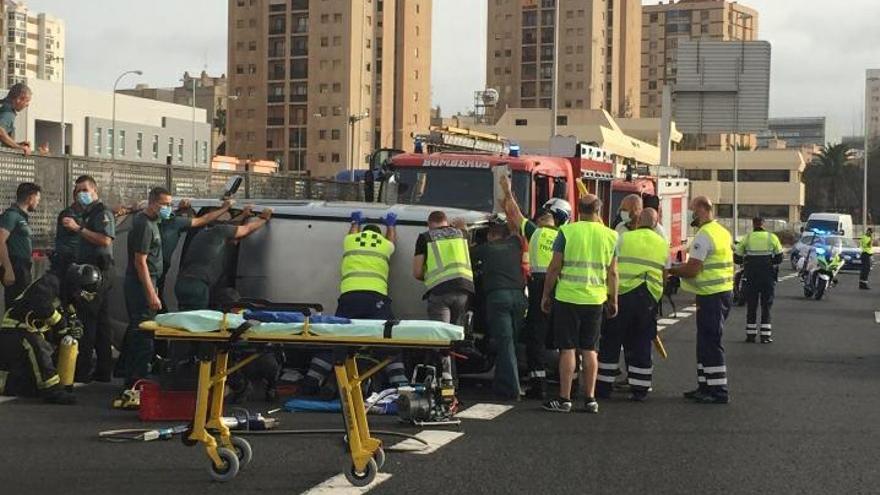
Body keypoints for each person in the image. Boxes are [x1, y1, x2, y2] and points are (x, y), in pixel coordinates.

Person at [301, 210, 404, 395]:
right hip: (376, 298)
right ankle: (401, 385)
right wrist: (391, 224)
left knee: (337, 338)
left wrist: (355, 221)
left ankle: (311, 381)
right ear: (378, 236)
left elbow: (352, 233)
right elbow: (392, 241)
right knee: (389, 338)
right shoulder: (384, 246)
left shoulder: (351, 242)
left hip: (350, 297)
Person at [541, 194, 618, 414]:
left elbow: (554, 267)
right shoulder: (611, 236)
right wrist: (614, 299)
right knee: (590, 349)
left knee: (567, 349)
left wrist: (546, 294)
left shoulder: (567, 232)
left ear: (578, 210)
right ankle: (590, 398)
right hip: (595, 299)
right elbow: (613, 272)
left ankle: (564, 399)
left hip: (567, 297)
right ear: (599, 210)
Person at [500, 175, 571, 399]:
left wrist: (507, 189)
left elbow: (513, 213)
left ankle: (538, 383)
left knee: (536, 337)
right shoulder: (567, 236)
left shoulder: (536, 232)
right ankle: (569, 382)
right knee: (565, 339)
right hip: (565, 288)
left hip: (540, 286)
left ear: (543, 218)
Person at [0, 264, 102, 404]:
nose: (80, 295)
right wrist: (61, 323)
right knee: (37, 347)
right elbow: (41, 304)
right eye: (82, 291)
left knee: (28, 385)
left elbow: (66, 321)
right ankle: (53, 391)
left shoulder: (67, 296)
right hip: (15, 329)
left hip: (33, 332)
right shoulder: (51, 281)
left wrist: (72, 329)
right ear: (75, 282)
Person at [596, 208, 668, 401]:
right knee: (641, 341)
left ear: (637, 222)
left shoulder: (623, 239)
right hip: (648, 297)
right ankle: (640, 389)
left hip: (622, 294)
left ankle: (603, 387)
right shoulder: (662, 244)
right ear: (656, 223)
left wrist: (610, 296)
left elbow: (611, 267)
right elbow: (665, 273)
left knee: (611, 340)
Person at [669, 196, 734, 405]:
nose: (691, 215)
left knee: (711, 342)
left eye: (693, 210)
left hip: (712, 295)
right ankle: (705, 385)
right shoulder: (722, 232)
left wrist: (671, 271)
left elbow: (693, 268)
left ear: (703, 210)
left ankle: (718, 390)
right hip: (720, 292)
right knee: (705, 342)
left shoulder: (704, 235)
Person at [61, 175, 116, 382]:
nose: (81, 194)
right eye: (77, 191)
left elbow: (104, 239)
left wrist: (78, 229)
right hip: (92, 272)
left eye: (85, 190)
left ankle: (82, 369)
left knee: (88, 319)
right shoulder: (88, 213)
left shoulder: (101, 212)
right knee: (101, 322)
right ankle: (103, 369)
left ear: (94, 191)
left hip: (99, 273)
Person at [412, 210, 474, 386]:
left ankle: (444, 380)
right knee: (454, 337)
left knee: (440, 338)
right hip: (464, 290)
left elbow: (416, 272)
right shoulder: (461, 234)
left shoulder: (426, 237)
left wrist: (432, 276)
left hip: (440, 291)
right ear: (446, 222)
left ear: (429, 223)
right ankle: (453, 380)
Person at [120, 187, 172, 389]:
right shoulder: (144, 225)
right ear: (153, 203)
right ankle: (137, 379)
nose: (167, 208)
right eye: (164, 204)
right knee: (143, 333)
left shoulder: (152, 221)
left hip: (148, 282)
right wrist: (151, 293)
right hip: (141, 284)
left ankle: (133, 376)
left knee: (141, 332)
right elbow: (140, 262)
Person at [174, 207, 272, 311]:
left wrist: (243, 215)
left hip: (183, 283)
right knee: (195, 320)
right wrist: (263, 218)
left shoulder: (205, 233)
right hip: (197, 285)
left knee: (184, 319)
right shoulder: (220, 231)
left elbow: (231, 225)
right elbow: (246, 229)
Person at [473, 222, 528, 399]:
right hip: (519, 298)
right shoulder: (515, 245)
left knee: (505, 343)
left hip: (498, 298)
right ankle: (501, 383)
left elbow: (467, 254)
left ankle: (512, 389)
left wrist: (462, 232)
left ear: (490, 236)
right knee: (513, 341)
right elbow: (515, 229)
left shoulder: (486, 249)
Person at [157, 198, 235, 309]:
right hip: (160, 277)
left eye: (170, 205)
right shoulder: (174, 223)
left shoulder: (159, 221)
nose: (168, 207)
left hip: (172, 279)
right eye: (166, 204)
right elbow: (204, 219)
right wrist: (225, 208)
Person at [734, 217, 783, 344]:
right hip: (767, 276)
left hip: (751, 276)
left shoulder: (747, 238)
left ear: (753, 224)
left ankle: (750, 336)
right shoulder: (771, 237)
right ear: (763, 224)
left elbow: (737, 258)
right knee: (766, 305)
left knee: (751, 305)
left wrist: (747, 260)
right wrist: (768, 262)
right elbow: (779, 258)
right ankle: (765, 336)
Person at [0, 182, 40, 310]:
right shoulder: (11, 215)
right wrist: (8, 269)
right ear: (30, 198)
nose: (38, 202)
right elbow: (0, 240)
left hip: (23, 268)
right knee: (15, 307)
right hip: (15, 266)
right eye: (37, 198)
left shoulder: (22, 217)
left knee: (23, 306)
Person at [49, 191, 83, 275]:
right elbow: (73, 227)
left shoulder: (84, 214)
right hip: (67, 260)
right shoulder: (68, 213)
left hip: (77, 258)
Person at [0, 83, 32, 155]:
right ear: (19, 99)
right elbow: (0, 132)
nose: (27, 105)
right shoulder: (8, 111)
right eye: (27, 101)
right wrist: (18, 147)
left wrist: (16, 144)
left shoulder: (3, 106)